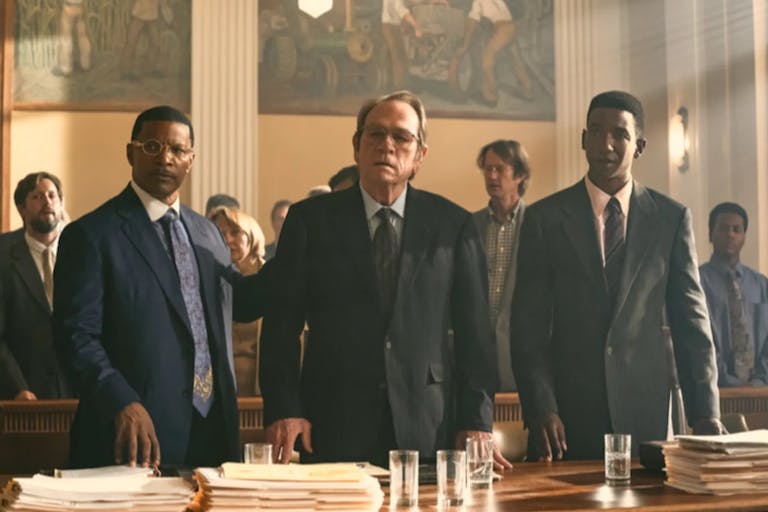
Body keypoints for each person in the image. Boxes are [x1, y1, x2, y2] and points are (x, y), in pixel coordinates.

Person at [260, 90, 511, 471]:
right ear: (357, 145)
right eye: (375, 134)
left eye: (401, 137)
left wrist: (476, 422)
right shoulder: (310, 221)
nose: (386, 146)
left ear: (420, 155)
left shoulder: (452, 225)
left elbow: (476, 336)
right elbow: (281, 327)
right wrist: (284, 409)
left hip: (427, 423)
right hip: (331, 422)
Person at [511, 90, 723, 461]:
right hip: (564, 421)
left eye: (619, 135)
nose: (605, 144)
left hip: (646, 418)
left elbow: (692, 323)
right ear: (583, 139)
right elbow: (527, 328)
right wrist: (540, 405)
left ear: (639, 145)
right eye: (595, 131)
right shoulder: (544, 220)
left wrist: (705, 413)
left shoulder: (670, 220)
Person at [53, 105, 266, 469]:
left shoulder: (207, 233)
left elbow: (239, 304)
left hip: (213, 431)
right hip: (132, 435)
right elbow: (75, 337)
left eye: (177, 150)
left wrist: (299, 254)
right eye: (152, 146)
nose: (165, 158)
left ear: (191, 160)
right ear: (130, 152)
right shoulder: (92, 235)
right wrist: (120, 400)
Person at [0, 172, 72, 400]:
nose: (47, 202)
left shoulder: (82, 250)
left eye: (52, 196)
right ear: (21, 208)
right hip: (22, 392)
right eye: (37, 197)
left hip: (79, 390)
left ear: (61, 205)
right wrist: (17, 387)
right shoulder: (4, 256)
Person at [472, 140, 530, 392]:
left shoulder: (538, 223)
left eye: (500, 169)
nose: (491, 176)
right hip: (478, 349)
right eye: (487, 169)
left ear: (519, 175)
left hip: (522, 352)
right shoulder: (470, 225)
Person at [699, 202, 768, 387]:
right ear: (710, 235)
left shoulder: (761, 285)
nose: (730, 234)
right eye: (723, 228)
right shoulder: (696, 283)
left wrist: (760, 381)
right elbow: (698, 341)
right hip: (712, 389)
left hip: (760, 393)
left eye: (737, 229)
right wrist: (728, 382)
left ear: (744, 236)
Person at [209, 206, 267, 396]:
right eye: (220, 233)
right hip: (216, 391)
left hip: (263, 392)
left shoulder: (270, 280)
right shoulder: (206, 280)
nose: (227, 239)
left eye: (235, 232)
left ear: (252, 236)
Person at [449, 0, 534, 105]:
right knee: (516, 61)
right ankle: (528, 91)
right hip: (512, 27)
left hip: (502, 30)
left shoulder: (477, 3)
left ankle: (491, 97)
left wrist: (465, 45)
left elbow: (471, 26)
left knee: (487, 62)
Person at [54, 0, 92, 76]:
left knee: (66, 36)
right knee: (82, 35)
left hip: (68, 6)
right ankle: (86, 64)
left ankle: (66, 68)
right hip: (80, 6)